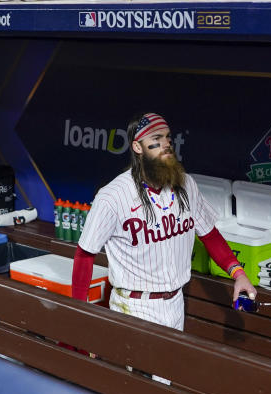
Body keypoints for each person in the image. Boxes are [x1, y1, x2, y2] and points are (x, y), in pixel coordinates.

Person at [71, 112, 256, 330]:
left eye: (167, 138)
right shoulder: (113, 196)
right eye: (156, 140)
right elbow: (84, 255)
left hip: (176, 303)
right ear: (137, 147)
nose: (166, 144)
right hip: (133, 306)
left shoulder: (186, 185)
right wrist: (79, 316)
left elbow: (210, 234)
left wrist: (239, 274)